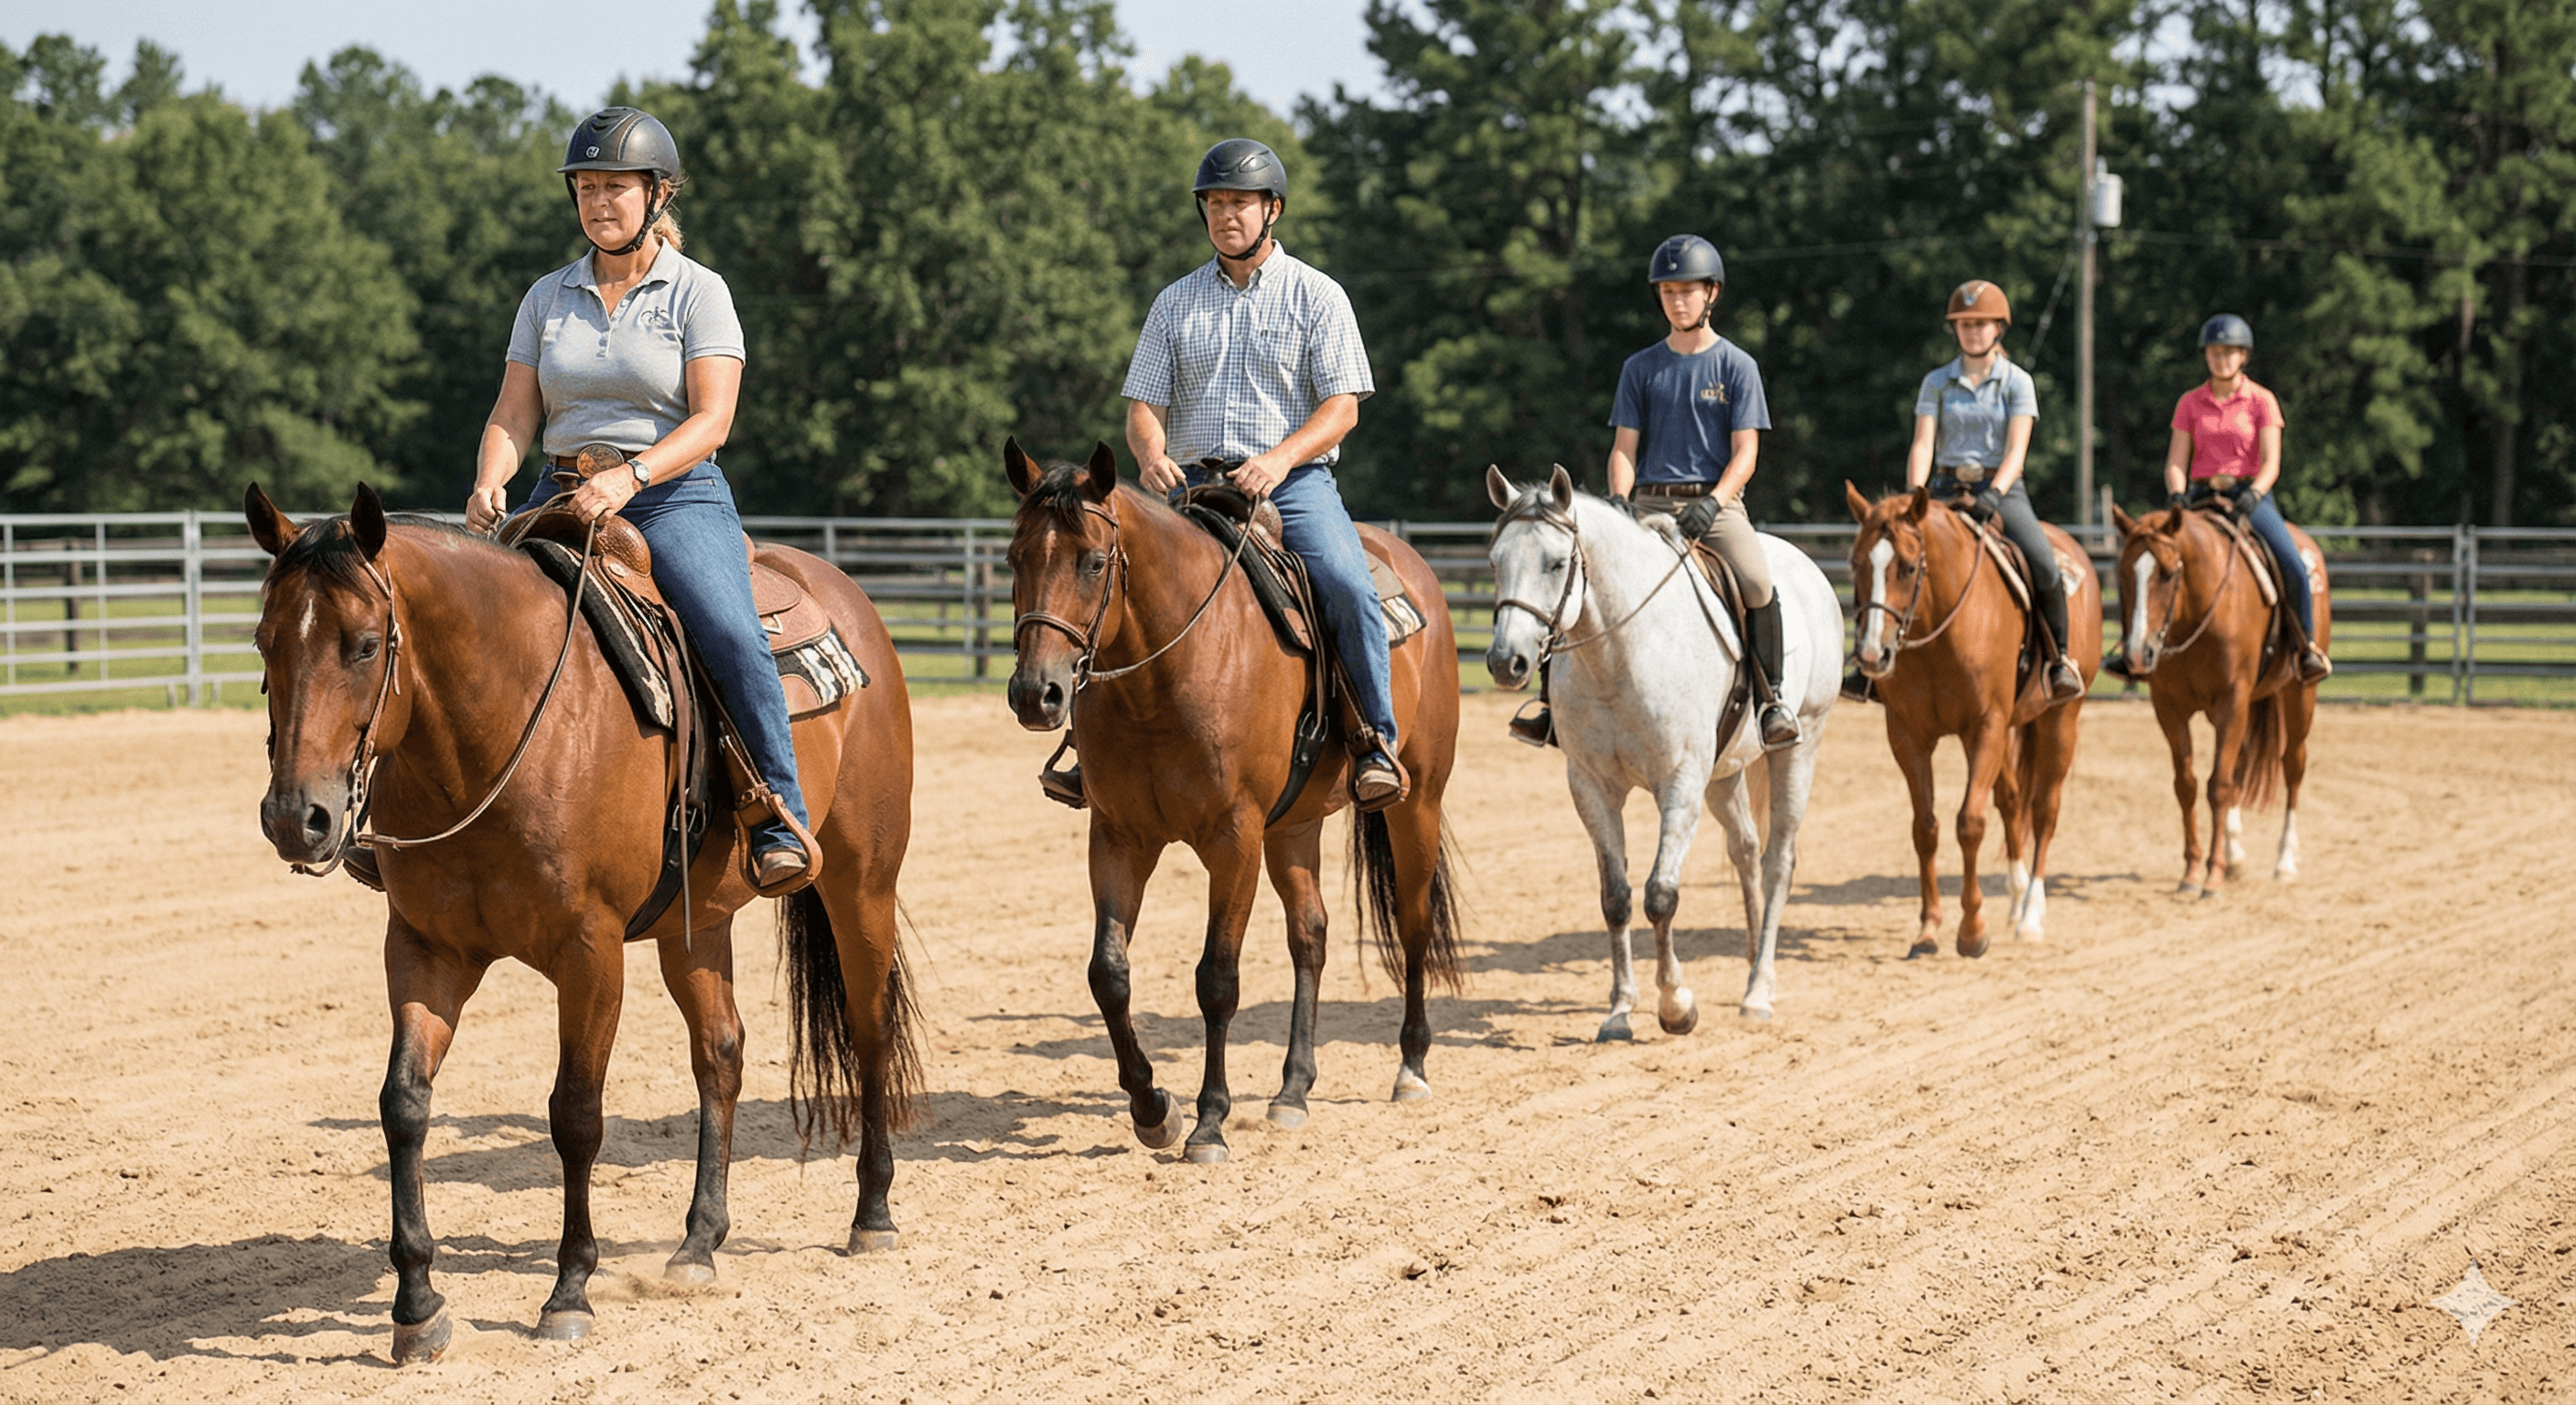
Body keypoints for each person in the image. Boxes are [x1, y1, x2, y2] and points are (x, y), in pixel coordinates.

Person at [462, 106, 814, 888]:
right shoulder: (546, 297)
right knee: (460, 624)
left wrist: (632, 475)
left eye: (615, 187)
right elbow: (513, 412)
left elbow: (712, 419)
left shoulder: (699, 292)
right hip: (557, 496)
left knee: (728, 629)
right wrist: (492, 475)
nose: (597, 202)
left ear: (659, 194)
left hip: (671, 498)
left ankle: (775, 813)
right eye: (585, 187)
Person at [1122, 137, 1407, 811]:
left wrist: (1279, 459)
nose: (1226, 215)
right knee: (1106, 578)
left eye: (1240, 203)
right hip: (1189, 485)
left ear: (1272, 209)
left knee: (1346, 583)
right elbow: (1143, 406)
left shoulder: (1318, 295)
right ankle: (1089, 752)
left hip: (1291, 484)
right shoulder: (1173, 303)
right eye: (1215, 203)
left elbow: (1342, 410)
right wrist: (1150, 455)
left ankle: (1375, 740)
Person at [1515, 233, 1796, 749]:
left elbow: (1746, 453)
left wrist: (1713, 501)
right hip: (1647, 501)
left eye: (1688, 290)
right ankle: (1551, 707)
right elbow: (1623, 448)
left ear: (1712, 294)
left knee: (1756, 583)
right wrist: (1621, 501)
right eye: (1668, 292)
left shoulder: (1737, 366)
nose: (1678, 300)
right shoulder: (1640, 367)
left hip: (1717, 505)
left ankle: (1771, 698)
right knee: (1582, 575)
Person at [1860, 278, 2085, 704]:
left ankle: (2059, 661)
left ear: (1999, 328)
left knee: (2043, 562)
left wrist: (1995, 493)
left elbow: (2018, 449)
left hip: (2001, 488)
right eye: (1963, 324)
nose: (1972, 331)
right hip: (1942, 488)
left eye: (1981, 324)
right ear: (1954, 330)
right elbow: (1923, 442)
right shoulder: (1937, 383)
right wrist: (1915, 494)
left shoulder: (2017, 382)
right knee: (1889, 558)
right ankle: (1871, 666)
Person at [2150, 314, 2331, 682]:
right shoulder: (2190, 403)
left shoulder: (2261, 401)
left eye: (2230, 352)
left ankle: (2306, 647)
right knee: (2152, 561)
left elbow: (2272, 461)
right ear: (2206, 356)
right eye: (2215, 352)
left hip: (2251, 496)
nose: (2222, 359)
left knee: (2291, 563)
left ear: (2244, 356)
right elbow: (2175, 460)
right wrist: (2177, 494)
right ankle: (2142, 647)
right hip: (2200, 496)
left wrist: (2255, 494)